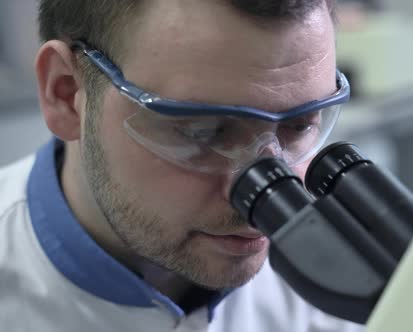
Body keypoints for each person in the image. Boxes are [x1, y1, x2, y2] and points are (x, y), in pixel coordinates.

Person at [0, 0, 364, 331]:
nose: (262, 193)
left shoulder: (339, 281)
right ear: (65, 94)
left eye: (299, 125)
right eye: (203, 131)